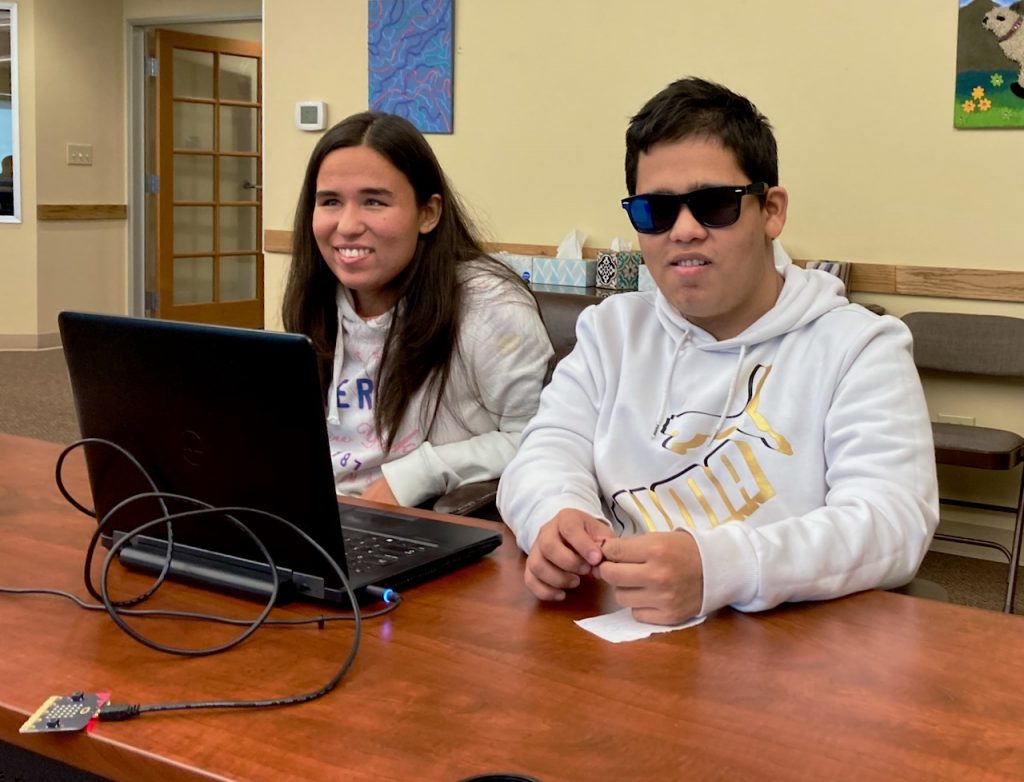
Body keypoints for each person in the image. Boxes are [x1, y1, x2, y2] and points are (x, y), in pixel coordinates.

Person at [496, 77, 939, 625]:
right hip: (610, 630)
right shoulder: (611, 331)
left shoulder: (858, 347)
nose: (683, 231)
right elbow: (544, 450)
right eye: (655, 211)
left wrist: (721, 568)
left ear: (771, 211)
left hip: (781, 647)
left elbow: (892, 523)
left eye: (713, 205)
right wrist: (555, 513)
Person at [284, 111, 552, 508]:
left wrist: (420, 473)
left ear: (428, 213)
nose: (347, 224)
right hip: (317, 521)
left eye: (374, 201)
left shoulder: (491, 307)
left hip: (416, 528)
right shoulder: (319, 297)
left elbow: (541, 439)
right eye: (330, 202)